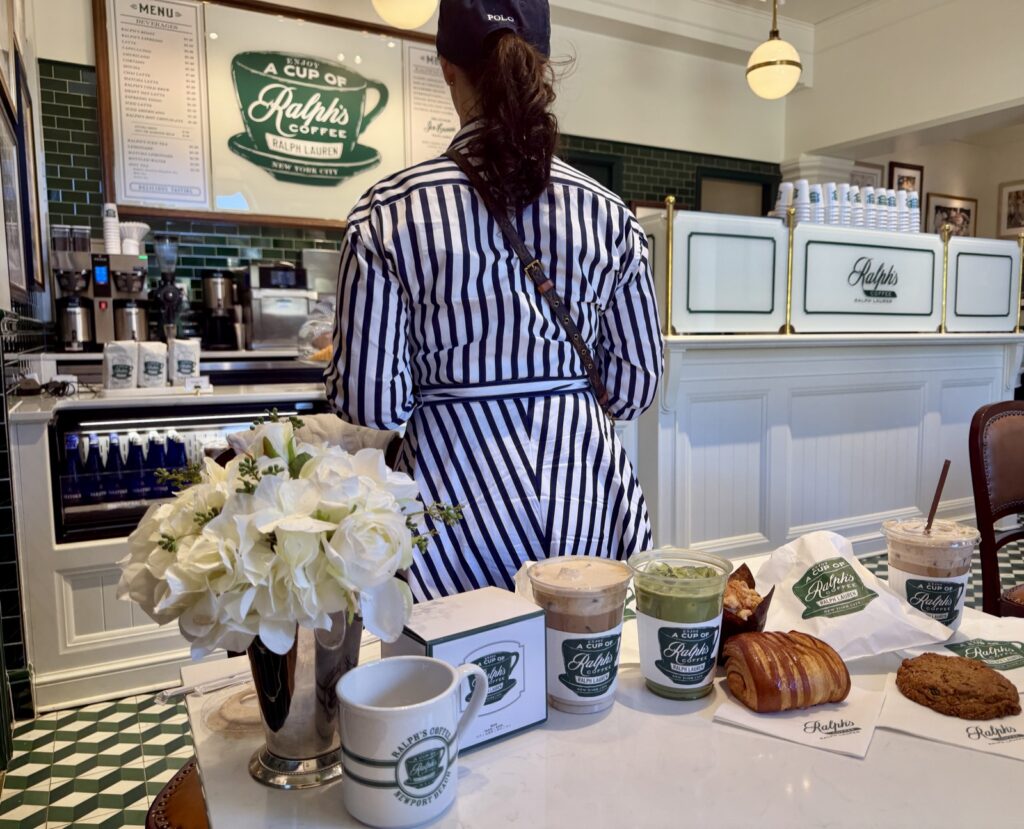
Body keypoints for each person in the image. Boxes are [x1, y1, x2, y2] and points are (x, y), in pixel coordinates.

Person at [325, 0, 663, 601]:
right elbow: (634, 388)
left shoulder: (387, 212)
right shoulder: (610, 214)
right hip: (588, 491)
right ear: (541, 65)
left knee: (469, 658)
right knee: (585, 655)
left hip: (450, 506)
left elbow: (372, 402)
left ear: (446, 68)